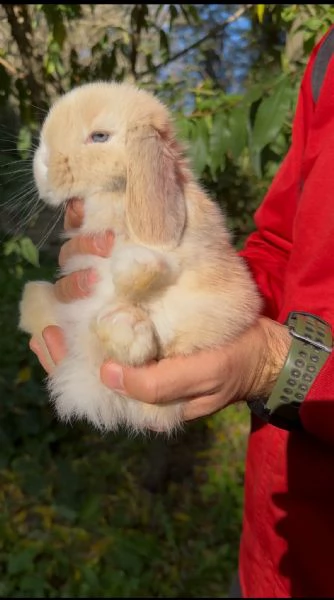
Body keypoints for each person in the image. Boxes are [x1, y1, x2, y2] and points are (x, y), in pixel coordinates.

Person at [29, 25, 334, 598]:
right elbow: (281, 246)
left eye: (97, 136)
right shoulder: (330, 58)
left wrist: (283, 367)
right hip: (270, 541)